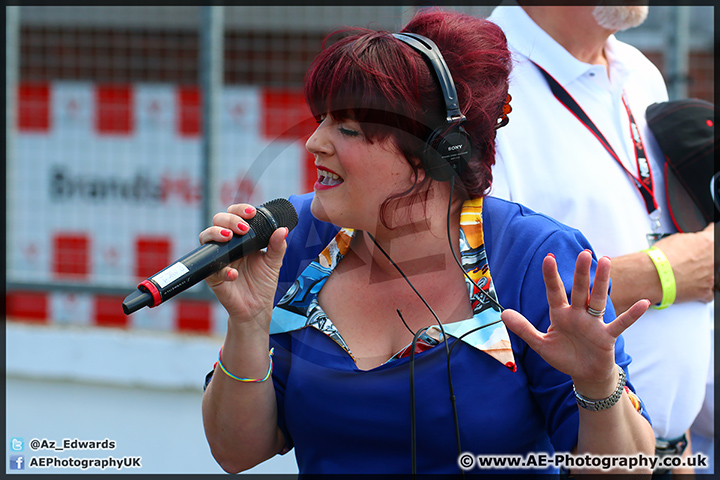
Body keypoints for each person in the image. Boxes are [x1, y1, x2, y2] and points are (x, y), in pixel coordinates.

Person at [201, 8, 655, 475]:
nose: (314, 142)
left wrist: (598, 385)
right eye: (321, 120)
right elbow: (237, 453)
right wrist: (249, 324)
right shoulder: (291, 238)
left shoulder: (531, 257)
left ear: (436, 152)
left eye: (348, 129)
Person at [486, 2, 714, 474]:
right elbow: (477, 293)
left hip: (667, 455)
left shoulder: (638, 69)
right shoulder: (479, 77)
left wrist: (677, 447)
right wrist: (663, 274)